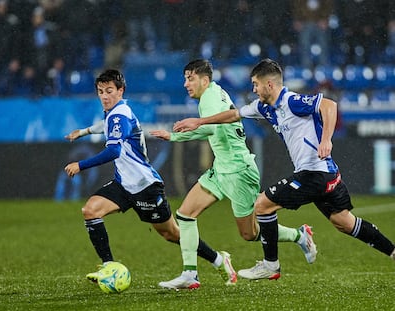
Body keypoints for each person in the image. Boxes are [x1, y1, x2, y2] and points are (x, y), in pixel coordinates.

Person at [173, 58, 395, 280]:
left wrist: (326, 140)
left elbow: (329, 105)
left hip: (315, 172)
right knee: (344, 222)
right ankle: (392, 251)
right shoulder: (264, 107)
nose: (254, 89)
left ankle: (271, 265)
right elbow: (234, 114)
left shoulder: (291, 101)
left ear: (269, 84)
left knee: (262, 205)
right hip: (326, 174)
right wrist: (199, 122)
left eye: (256, 84)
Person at [149, 59, 317, 289]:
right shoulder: (215, 93)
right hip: (222, 169)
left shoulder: (209, 98)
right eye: (185, 78)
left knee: (249, 234)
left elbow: (210, 127)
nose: (186, 84)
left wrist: (184, 130)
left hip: (239, 171)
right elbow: (212, 128)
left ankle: (300, 236)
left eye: (190, 78)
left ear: (204, 80)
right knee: (186, 214)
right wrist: (175, 136)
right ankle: (190, 274)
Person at [64, 69, 237, 286]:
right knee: (91, 210)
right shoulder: (114, 113)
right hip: (123, 185)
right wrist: (83, 132)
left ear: (120, 91)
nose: (104, 96)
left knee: (172, 234)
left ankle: (219, 260)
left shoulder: (120, 115)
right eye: (100, 91)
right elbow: (105, 126)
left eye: (109, 91)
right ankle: (109, 266)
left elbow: (114, 152)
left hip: (145, 186)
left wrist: (81, 165)